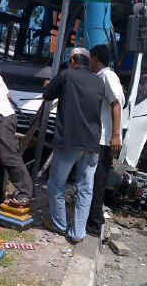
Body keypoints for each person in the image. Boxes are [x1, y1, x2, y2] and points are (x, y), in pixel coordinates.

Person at [43, 48, 104, 244]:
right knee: (85, 188)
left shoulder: (66, 75)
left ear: (72, 60)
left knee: (56, 184)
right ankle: (78, 233)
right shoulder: (98, 80)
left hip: (69, 141)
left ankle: (60, 225)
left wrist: (48, 85)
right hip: (92, 143)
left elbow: (47, 95)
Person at [0, 62, 33, 209]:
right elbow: (8, 94)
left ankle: (25, 192)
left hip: (1, 116)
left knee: (7, 154)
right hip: (0, 116)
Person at [87, 44, 125, 237]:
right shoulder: (99, 77)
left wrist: (116, 134)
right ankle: (92, 219)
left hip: (104, 140)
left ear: (95, 58)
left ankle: (94, 224)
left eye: (89, 59)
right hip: (98, 138)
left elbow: (116, 104)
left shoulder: (108, 77)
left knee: (97, 182)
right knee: (92, 181)